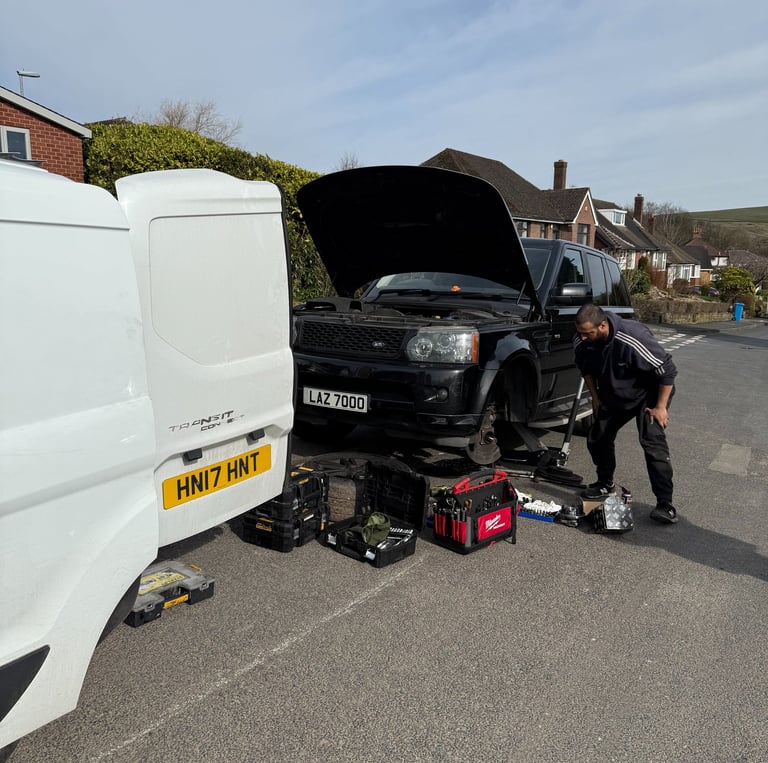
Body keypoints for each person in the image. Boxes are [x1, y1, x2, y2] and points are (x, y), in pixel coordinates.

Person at [573, 304, 679, 524]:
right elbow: (587, 370)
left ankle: (665, 504)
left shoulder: (631, 337)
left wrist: (661, 407)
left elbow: (666, 369)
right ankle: (605, 484)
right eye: (580, 333)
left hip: (649, 393)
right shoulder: (582, 341)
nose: (582, 338)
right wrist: (595, 397)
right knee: (598, 437)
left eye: (588, 333)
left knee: (652, 442)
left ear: (602, 326)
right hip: (616, 392)